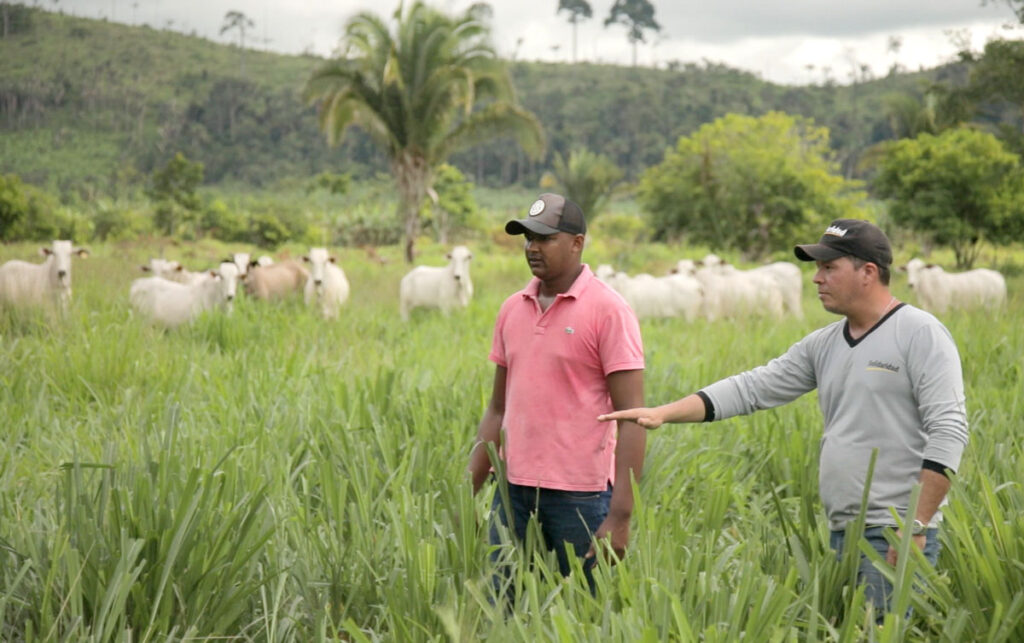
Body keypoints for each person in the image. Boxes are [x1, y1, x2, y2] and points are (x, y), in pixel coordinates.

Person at [599, 219, 968, 616]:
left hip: (893, 532)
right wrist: (663, 413)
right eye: (817, 268)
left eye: (829, 267)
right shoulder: (824, 344)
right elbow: (751, 388)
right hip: (842, 531)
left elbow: (948, 431)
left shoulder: (920, 333)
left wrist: (914, 525)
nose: (816, 279)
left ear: (868, 273)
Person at [466, 193, 646, 595]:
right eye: (528, 237)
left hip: (580, 497)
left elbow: (632, 416)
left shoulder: (608, 311)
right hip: (511, 492)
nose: (532, 247)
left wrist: (621, 514)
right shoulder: (513, 308)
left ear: (577, 243)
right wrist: (470, 485)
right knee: (502, 607)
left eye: (545, 238)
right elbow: (498, 408)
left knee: (580, 611)